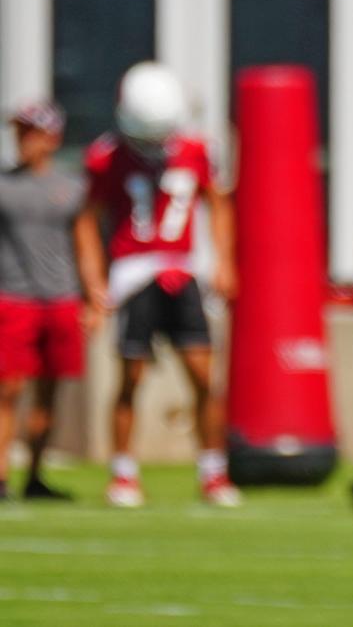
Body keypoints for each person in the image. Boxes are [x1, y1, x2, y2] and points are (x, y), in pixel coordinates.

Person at [76, 62, 240, 508]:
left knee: (205, 376)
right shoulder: (105, 155)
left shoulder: (196, 150)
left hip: (184, 269)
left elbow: (218, 205)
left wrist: (224, 262)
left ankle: (213, 472)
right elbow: (87, 220)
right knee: (130, 376)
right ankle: (124, 473)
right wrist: (94, 281)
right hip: (133, 273)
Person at [0, 101, 88, 501]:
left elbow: (85, 245)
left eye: (30, 132)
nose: (23, 141)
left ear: (52, 137)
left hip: (61, 299)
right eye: (19, 132)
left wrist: (96, 294)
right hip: (13, 298)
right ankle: (1, 476)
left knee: (49, 392)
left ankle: (34, 476)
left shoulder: (70, 187)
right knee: (8, 390)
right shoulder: (4, 185)